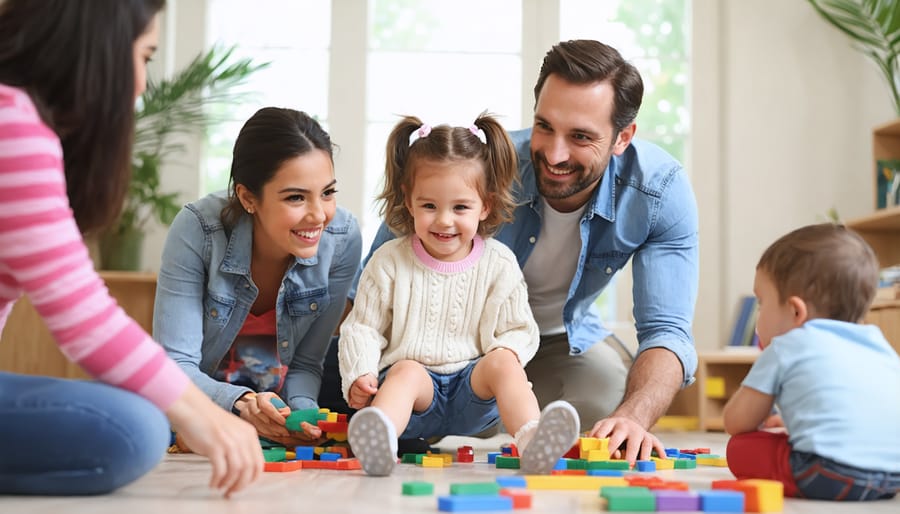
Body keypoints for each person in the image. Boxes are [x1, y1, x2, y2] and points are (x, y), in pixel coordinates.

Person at [338, 39, 699, 463]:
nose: (555, 153)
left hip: (554, 342)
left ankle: (523, 428)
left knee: (608, 402)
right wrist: (352, 379)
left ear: (623, 137)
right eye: (545, 126)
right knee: (392, 388)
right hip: (424, 355)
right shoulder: (467, 168)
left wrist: (634, 417)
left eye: (581, 136)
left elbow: (667, 330)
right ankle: (421, 422)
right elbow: (367, 297)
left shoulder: (657, 192)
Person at [0, 0, 262, 497]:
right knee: (134, 429)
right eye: (143, 56)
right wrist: (202, 414)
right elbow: (84, 318)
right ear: (96, 45)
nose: (141, 84)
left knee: (136, 417)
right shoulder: (13, 125)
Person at [339, 113, 579, 476]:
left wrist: (507, 356)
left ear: (485, 205)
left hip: (473, 391)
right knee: (405, 371)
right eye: (429, 206)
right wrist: (360, 372)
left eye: (460, 207)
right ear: (408, 200)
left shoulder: (499, 262)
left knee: (502, 361)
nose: (444, 221)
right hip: (416, 400)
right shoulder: (388, 261)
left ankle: (533, 439)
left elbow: (520, 328)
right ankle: (381, 439)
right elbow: (363, 327)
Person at [154, 107, 362, 448]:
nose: (318, 215)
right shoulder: (198, 229)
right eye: (296, 197)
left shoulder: (342, 238)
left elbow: (307, 364)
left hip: (275, 407)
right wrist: (242, 403)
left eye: (327, 193)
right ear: (248, 197)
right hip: (204, 399)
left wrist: (303, 419)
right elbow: (176, 366)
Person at [722, 223, 900, 500]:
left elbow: (737, 422)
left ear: (796, 311)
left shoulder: (785, 346)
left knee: (739, 447)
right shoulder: (880, 346)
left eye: (761, 302)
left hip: (827, 474)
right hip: (891, 477)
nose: (759, 313)